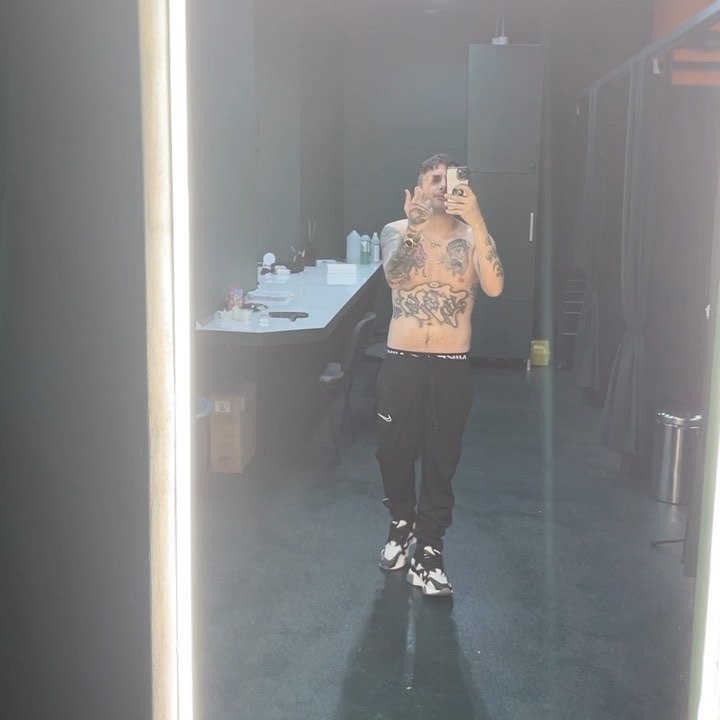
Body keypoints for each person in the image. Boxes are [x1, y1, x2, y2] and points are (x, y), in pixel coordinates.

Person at [376, 154, 504, 596]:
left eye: (449, 180)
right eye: (433, 180)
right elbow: (394, 278)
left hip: (451, 363)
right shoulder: (396, 230)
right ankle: (402, 521)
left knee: (441, 458)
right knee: (391, 452)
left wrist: (478, 220)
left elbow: (495, 287)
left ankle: (429, 551)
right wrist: (414, 227)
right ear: (418, 187)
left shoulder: (473, 236)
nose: (441, 187)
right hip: (402, 359)